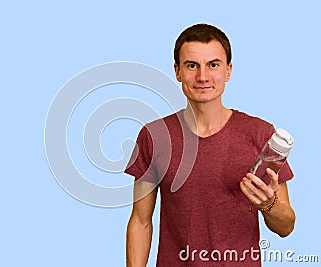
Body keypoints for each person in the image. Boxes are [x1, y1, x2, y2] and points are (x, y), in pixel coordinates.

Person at [125, 23, 296, 266]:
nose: (202, 76)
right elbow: (140, 221)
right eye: (192, 65)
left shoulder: (261, 135)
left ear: (228, 71)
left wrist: (269, 205)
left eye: (213, 65)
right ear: (177, 71)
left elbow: (286, 226)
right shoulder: (154, 136)